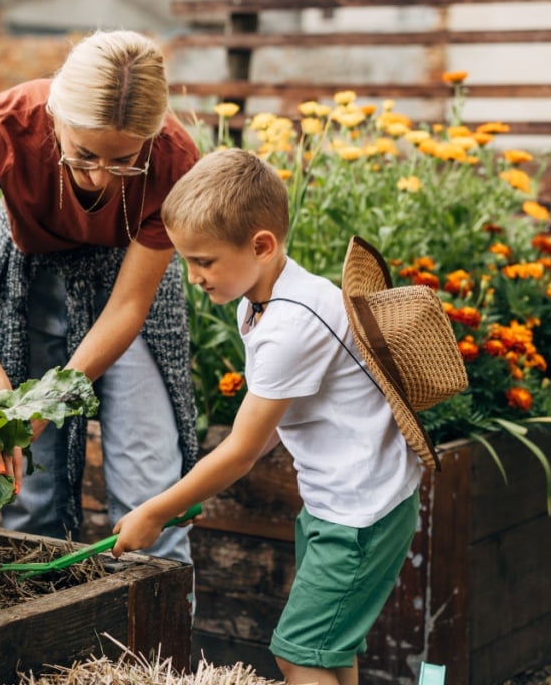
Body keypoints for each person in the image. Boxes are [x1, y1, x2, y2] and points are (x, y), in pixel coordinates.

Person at [112, 149, 466, 684]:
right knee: (327, 651)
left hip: (359, 513)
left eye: (204, 261)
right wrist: (194, 494)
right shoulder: (265, 298)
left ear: (261, 245)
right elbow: (275, 425)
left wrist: (156, 511)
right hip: (340, 502)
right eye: (187, 261)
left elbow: (244, 448)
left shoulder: (290, 326)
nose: (193, 277)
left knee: (298, 653)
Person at [0, 30, 201, 563]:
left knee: (151, 489)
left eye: (124, 160)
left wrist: (51, 400)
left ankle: (156, 641)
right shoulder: (2, 127)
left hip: (129, 284)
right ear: (54, 115)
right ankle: (45, 637)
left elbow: (127, 307)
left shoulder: (174, 159)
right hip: (27, 278)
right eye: (84, 154)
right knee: (28, 490)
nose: (101, 176)